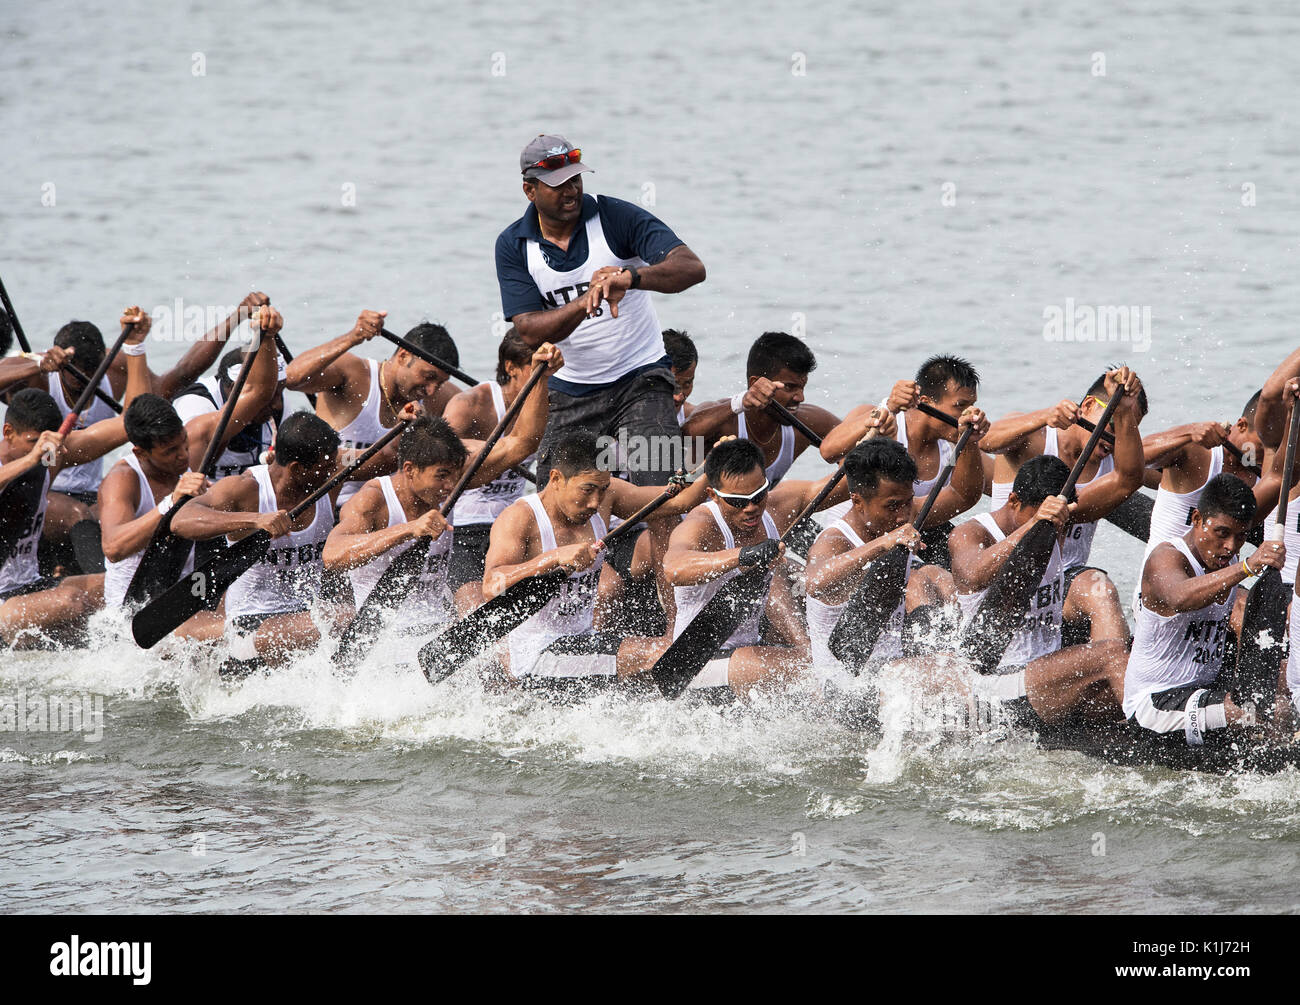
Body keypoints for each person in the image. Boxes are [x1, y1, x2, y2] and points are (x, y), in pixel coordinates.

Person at [495, 134, 706, 487]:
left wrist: (632, 277)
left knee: (658, 494)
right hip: (572, 389)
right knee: (556, 498)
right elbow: (530, 330)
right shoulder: (513, 245)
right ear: (529, 190)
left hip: (641, 379)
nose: (571, 191)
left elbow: (691, 268)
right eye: (558, 184)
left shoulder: (615, 217)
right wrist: (583, 301)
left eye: (575, 179)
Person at [325, 343, 563, 632]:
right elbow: (333, 555)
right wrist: (408, 530)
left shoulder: (453, 477)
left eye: (453, 475)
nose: (450, 486)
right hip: (384, 637)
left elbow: (522, 442)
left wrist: (541, 377)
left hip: (435, 628)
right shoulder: (373, 499)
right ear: (410, 470)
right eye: (441, 476)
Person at [480, 430, 711, 690]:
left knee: (656, 671)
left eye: (602, 489)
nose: (594, 502)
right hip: (536, 653)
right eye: (587, 490)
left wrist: (715, 462)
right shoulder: (520, 517)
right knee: (658, 653)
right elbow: (491, 586)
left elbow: (681, 501)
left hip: (584, 639)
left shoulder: (606, 497)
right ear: (556, 478)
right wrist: (551, 558)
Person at [99, 312, 282, 636]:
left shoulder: (194, 440)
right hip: (139, 613)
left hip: (186, 592)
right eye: (170, 453)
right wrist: (171, 502)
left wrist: (264, 337)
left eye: (183, 445)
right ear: (141, 451)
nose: (183, 456)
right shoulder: (122, 479)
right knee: (241, 631)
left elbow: (257, 393)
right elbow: (113, 547)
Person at [946, 454, 1133, 730]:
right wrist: (1035, 525)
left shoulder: (1061, 520)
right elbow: (971, 575)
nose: (1056, 527)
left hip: (1046, 679)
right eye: (1045, 518)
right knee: (1113, 653)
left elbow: (1125, 480)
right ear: (1013, 501)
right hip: (998, 683)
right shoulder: (970, 533)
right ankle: (1151, 728)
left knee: (1131, 657)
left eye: (1059, 520)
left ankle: (1142, 724)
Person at [0, 314, 155, 645]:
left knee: (123, 584)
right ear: (8, 433)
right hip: (2, 601)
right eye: (31, 442)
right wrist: (38, 364)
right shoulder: (28, 459)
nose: (41, 451)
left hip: (31, 585)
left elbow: (132, 421)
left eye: (45, 443)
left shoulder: (48, 457)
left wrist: (135, 346)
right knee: (71, 602)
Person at [659, 438, 854, 700]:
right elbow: (674, 568)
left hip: (747, 653)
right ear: (713, 495)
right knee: (812, 669)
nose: (751, 508)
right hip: (696, 662)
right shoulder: (702, 523)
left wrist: (879, 431)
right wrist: (744, 555)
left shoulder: (777, 506)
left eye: (757, 496)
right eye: (738, 502)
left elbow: (848, 483)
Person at [169, 411, 351, 676]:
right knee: (342, 618)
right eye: (325, 467)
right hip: (252, 622)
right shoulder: (245, 489)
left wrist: (407, 423)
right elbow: (181, 520)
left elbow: (387, 456)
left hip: (304, 617)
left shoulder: (332, 473)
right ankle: (228, 643)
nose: (332, 471)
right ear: (298, 468)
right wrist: (255, 520)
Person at [980, 367, 1148, 642]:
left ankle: (1116, 669)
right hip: (1007, 568)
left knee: (1101, 590)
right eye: (1112, 426)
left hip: (1064, 580)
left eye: (1127, 427)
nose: (1115, 440)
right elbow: (986, 440)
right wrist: (1046, 416)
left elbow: (1132, 478)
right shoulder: (1035, 438)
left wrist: (1124, 409)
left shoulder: (1117, 462)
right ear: (1089, 405)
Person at [1125, 473, 1285, 746]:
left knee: (1281, 691)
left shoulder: (1226, 554)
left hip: (1201, 694)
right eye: (1221, 533)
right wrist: (1247, 566)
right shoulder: (1166, 557)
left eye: (1241, 537)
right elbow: (1179, 597)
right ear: (1197, 519)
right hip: (1154, 705)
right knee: (1255, 712)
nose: (1230, 547)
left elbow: (1279, 474)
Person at [804, 437, 954, 686]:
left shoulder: (898, 513)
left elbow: (963, 494)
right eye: (893, 506)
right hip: (845, 687)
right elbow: (814, 581)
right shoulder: (833, 541)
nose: (903, 515)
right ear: (857, 501)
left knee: (936, 576)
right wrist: (882, 544)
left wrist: (968, 443)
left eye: (908, 502)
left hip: (891, 671)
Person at [822, 355, 988, 570]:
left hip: (903, 533)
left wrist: (971, 440)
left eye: (973, 406)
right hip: (853, 536)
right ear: (927, 403)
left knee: (958, 545)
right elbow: (828, 451)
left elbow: (966, 495)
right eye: (960, 406)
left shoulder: (956, 449)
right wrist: (889, 406)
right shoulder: (881, 418)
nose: (968, 414)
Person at [284, 312, 463, 507]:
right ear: (403, 356)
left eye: (440, 382)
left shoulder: (441, 396)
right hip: (329, 503)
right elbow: (292, 379)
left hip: (384, 512)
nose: (431, 390)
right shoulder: (354, 373)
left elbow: (486, 411)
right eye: (428, 376)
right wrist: (353, 337)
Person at [442, 329, 540, 614]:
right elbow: (439, 455)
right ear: (511, 367)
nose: (551, 381)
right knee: (473, 612)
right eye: (538, 370)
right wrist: (504, 450)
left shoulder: (548, 405)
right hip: (465, 526)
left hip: (515, 525)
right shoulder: (471, 404)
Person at [682, 331, 840, 484]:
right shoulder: (725, 419)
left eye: (802, 387)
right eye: (789, 387)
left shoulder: (807, 421)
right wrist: (741, 402)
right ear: (754, 383)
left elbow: (858, 441)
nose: (800, 398)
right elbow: (683, 434)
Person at [663, 329, 698, 427]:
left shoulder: (693, 419)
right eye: (673, 385)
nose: (679, 397)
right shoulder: (621, 415)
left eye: (687, 384)